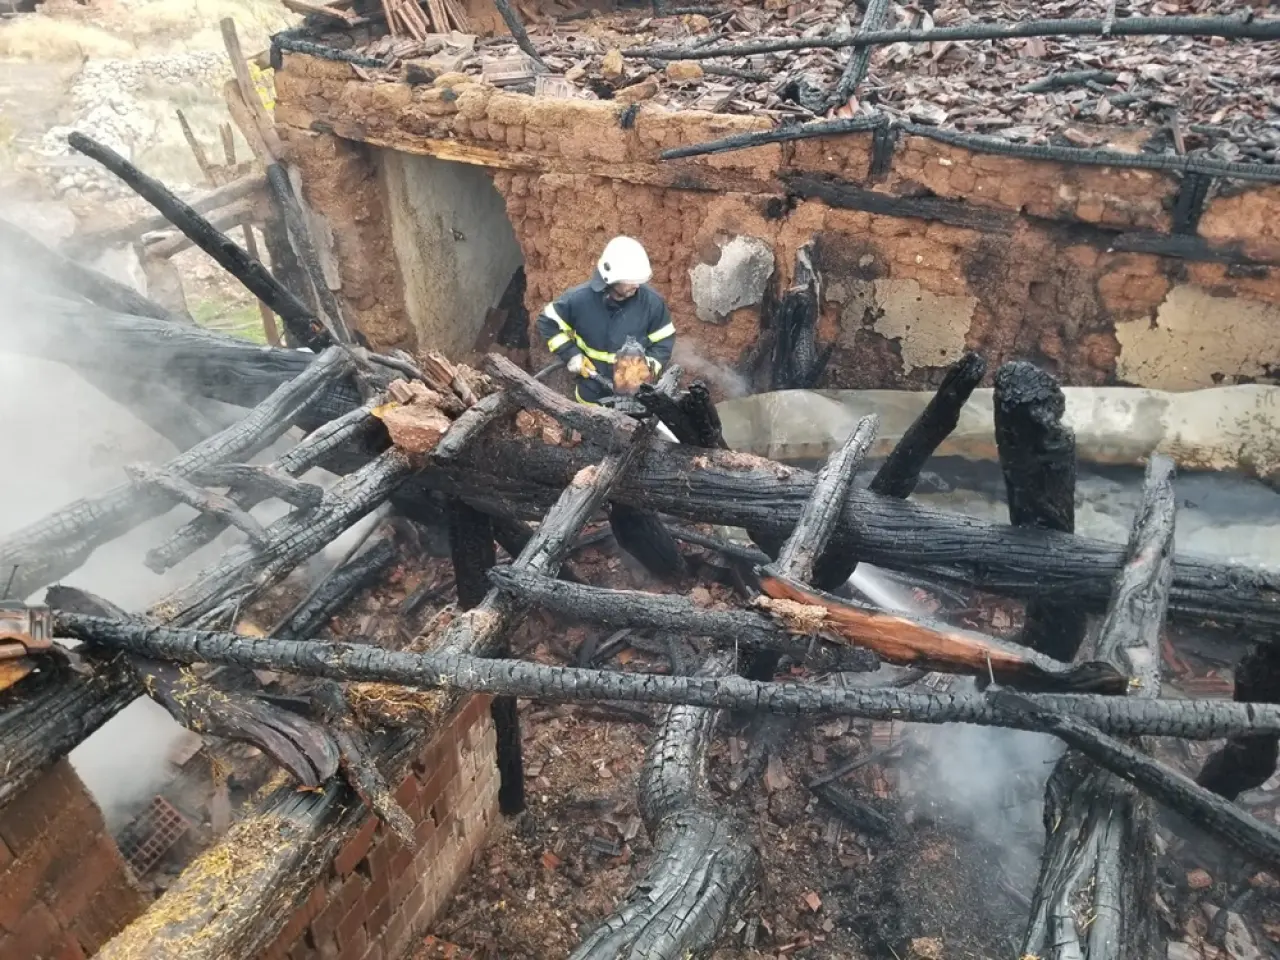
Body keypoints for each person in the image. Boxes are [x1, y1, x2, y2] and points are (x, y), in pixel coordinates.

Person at [535, 236, 676, 404]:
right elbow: (547, 322)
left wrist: (645, 371)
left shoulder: (651, 303)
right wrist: (571, 355)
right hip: (591, 393)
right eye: (631, 280)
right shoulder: (579, 300)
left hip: (633, 397)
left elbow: (664, 342)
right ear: (612, 277)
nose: (637, 285)